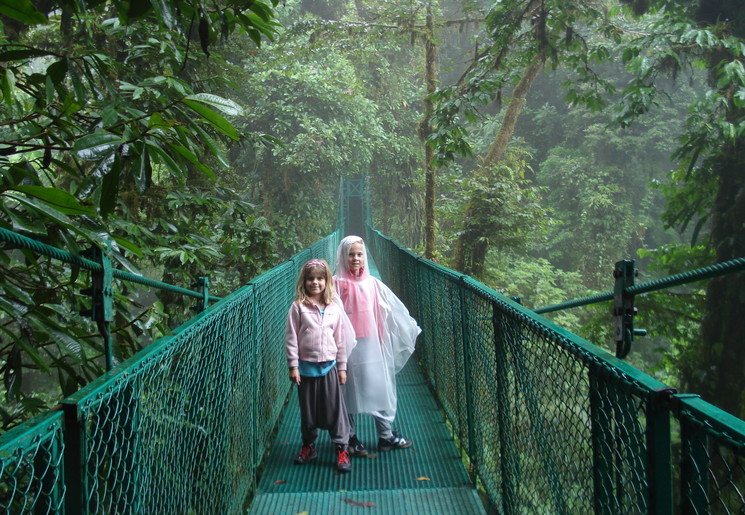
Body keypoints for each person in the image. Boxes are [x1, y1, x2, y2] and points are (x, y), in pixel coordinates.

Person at [333, 235, 421, 456]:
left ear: (365, 257)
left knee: (379, 387)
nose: (355, 258)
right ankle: (350, 438)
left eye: (359, 254)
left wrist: (384, 340)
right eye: (351, 254)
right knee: (347, 390)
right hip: (347, 347)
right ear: (343, 256)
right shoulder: (335, 284)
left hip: (371, 344)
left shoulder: (371, 283)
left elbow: (381, 313)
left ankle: (385, 436)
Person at [285, 259, 356, 473]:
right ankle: (309, 446)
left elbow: (340, 340)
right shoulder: (297, 307)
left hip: (329, 368)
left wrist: (342, 367)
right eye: (310, 279)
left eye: (319, 278)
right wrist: (293, 365)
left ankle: (341, 448)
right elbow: (291, 338)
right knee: (308, 412)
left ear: (326, 282)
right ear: (304, 281)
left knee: (335, 411)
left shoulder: (334, 309)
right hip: (306, 369)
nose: (315, 283)